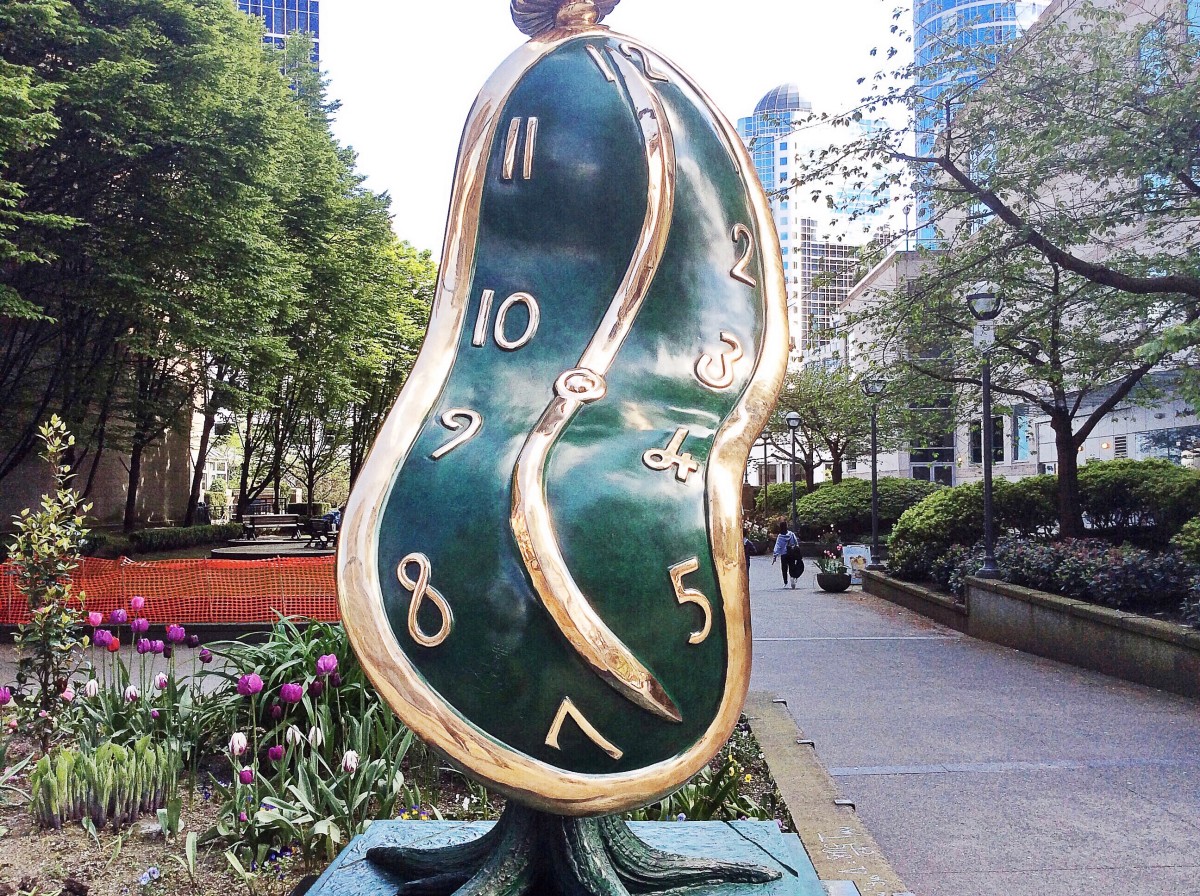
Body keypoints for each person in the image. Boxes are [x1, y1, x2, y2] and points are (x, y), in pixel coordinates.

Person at [771, 520, 804, 589]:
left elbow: (778, 546)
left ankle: (785, 582)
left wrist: (775, 555)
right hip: (791, 553)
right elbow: (796, 543)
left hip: (784, 554)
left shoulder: (780, 536)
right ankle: (792, 577)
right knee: (792, 566)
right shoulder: (791, 534)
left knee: (784, 568)